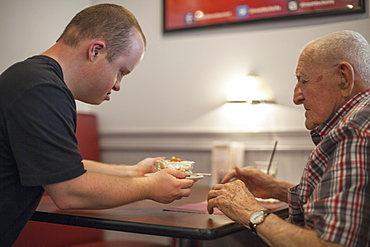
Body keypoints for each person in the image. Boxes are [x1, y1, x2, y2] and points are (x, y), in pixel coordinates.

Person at [0, 4, 195, 246]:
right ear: (95, 51)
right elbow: (69, 191)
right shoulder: (43, 89)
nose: (118, 85)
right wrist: (150, 187)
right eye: (121, 71)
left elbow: (63, 168)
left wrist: (134, 171)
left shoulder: (33, 79)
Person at [207, 30, 370, 247]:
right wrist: (275, 189)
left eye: (304, 81)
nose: (296, 97)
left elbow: (332, 244)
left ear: (344, 77)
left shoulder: (355, 132)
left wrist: (249, 211)